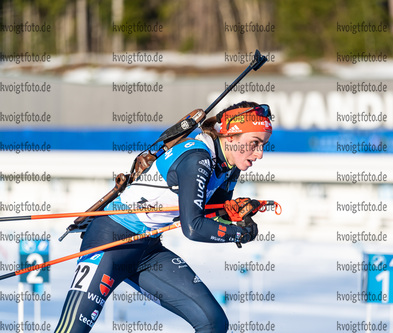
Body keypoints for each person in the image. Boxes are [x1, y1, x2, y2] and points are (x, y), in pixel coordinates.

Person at [54, 101, 273, 333]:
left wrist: (235, 215)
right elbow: (194, 227)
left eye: (263, 145)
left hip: (148, 251)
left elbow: (209, 212)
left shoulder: (229, 165)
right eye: (254, 143)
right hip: (110, 243)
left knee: (213, 322)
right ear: (230, 136)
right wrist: (240, 233)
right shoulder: (197, 158)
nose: (259, 154)